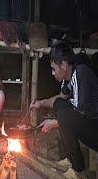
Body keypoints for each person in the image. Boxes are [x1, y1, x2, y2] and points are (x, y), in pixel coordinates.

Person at [29, 41, 98, 172]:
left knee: (64, 116)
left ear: (64, 65)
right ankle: (69, 159)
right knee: (59, 104)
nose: (52, 73)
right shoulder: (68, 78)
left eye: (54, 69)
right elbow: (60, 98)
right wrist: (40, 103)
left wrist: (54, 123)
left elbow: (81, 113)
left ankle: (77, 169)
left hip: (95, 128)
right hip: (87, 124)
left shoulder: (80, 74)